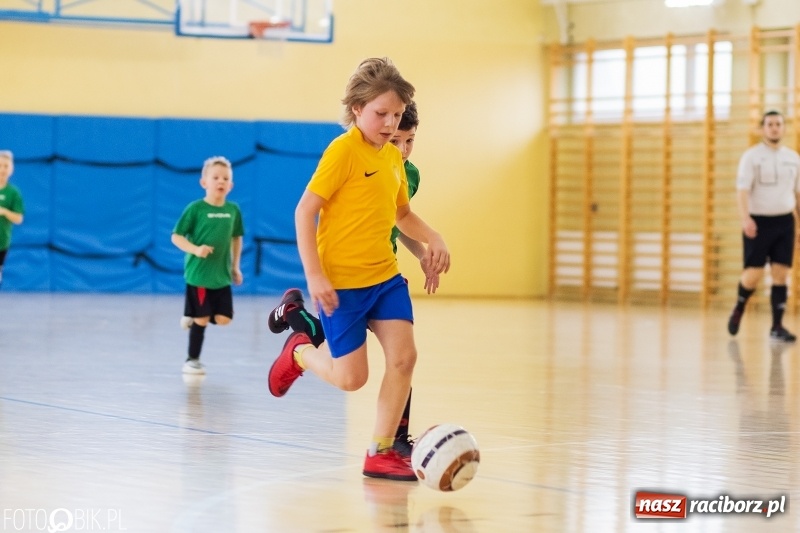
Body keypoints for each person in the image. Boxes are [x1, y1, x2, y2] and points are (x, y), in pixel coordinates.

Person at [266, 57, 450, 482]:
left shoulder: (393, 159)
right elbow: (303, 212)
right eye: (380, 113)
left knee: (404, 358)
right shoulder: (343, 151)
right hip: (342, 284)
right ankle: (298, 350)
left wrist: (433, 239)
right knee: (352, 379)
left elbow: (402, 214)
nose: (389, 123)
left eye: (397, 115)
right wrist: (315, 276)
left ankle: (380, 451)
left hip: (384, 279)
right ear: (356, 110)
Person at [727, 110, 800, 342]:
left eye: (778, 124)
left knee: (781, 274)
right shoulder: (751, 157)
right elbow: (742, 191)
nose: (774, 128)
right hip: (759, 223)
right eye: (770, 124)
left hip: (785, 222)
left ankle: (777, 326)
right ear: (762, 128)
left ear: (784, 128)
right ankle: (739, 307)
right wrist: (745, 218)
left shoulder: (793, 158)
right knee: (753, 275)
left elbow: (797, 194)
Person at [171, 156, 244, 374]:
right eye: (215, 178)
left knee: (223, 319)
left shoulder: (233, 210)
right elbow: (176, 236)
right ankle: (192, 360)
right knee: (202, 319)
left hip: (221, 276)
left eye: (225, 178)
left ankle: (192, 315)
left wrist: (235, 267)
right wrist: (195, 249)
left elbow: (236, 238)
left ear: (230, 185)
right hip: (199, 275)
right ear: (204, 183)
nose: (220, 182)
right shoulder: (195, 209)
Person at [0, 150, 25, 287]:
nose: (2, 170)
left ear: (11, 170)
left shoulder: (13, 193)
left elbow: (19, 218)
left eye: (6, 166)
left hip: (2, 243)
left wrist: (4, 212)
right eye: (0, 166)